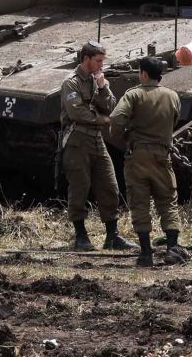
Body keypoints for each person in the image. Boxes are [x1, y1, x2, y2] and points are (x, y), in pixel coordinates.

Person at [109, 56, 187, 267]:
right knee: (168, 201)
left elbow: (116, 118)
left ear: (143, 74)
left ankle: (145, 253)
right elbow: (175, 119)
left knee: (139, 202)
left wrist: (121, 135)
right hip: (162, 155)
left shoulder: (133, 94)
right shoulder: (172, 95)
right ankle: (172, 248)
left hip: (138, 156)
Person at [60, 41, 137, 252]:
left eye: (103, 60)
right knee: (79, 187)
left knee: (109, 186)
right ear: (86, 59)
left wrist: (103, 87)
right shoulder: (71, 83)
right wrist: (102, 120)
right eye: (98, 60)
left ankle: (112, 236)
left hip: (96, 139)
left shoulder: (98, 81)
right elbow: (77, 112)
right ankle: (81, 236)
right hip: (77, 140)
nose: (102, 64)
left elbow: (111, 106)